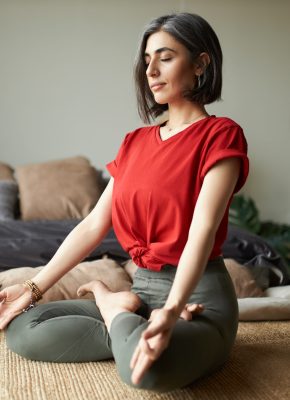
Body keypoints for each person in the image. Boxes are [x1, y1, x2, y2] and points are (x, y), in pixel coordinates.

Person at [0, 13, 249, 392]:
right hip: (142, 291)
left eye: (165, 57)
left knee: (145, 374)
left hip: (198, 298)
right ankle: (124, 321)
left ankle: (116, 314)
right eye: (146, 60)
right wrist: (32, 289)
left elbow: (202, 230)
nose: (151, 70)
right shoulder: (135, 142)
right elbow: (92, 225)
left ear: (200, 64)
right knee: (24, 330)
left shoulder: (221, 135)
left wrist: (170, 309)